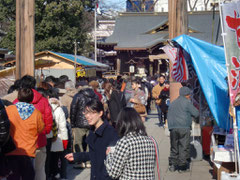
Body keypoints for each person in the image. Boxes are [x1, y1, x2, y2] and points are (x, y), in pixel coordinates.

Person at [65, 99, 119, 180]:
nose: (87, 116)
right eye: (86, 112)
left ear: (100, 113)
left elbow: (115, 161)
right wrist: (77, 156)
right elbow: (94, 154)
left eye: (92, 113)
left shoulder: (110, 133)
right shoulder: (93, 131)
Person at [13, 75, 53, 180]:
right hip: (39, 141)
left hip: (20, 143)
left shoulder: (16, 102)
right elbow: (49, 121)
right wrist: (43, 132)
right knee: (40, 170)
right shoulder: (43, 100)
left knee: (21, 173)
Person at [105, 107, 156, 179]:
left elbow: (113, 173)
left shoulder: (124, 142)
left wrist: (109, 155)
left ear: (122, 123)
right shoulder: (151, 141)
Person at [6, 88, 45, 180]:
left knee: (12, 177)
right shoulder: (36, 113)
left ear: (18, 97)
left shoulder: (9, 110)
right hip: (29, 151)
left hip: (11, 149)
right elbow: (41, 129)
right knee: (28, 176)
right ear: (31, 98)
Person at [167, 86, 199, 173]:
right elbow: (196, 113)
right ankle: (182, 166)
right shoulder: (187, 102)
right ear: (187, 95)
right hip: (184, 127)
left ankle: (173, 165)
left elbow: (168, 114)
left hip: (173, 127)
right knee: (183, 147)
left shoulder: (173, 102)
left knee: (174, 147)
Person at [70, 87, 98, 168]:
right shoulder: (95, 96)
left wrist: (72, 123)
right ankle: (89, 161)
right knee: (90, 142)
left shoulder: (78, 96)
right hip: (92, 122)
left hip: (79, 123)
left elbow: (73, 109)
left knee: (77, 142)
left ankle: (80, 161)